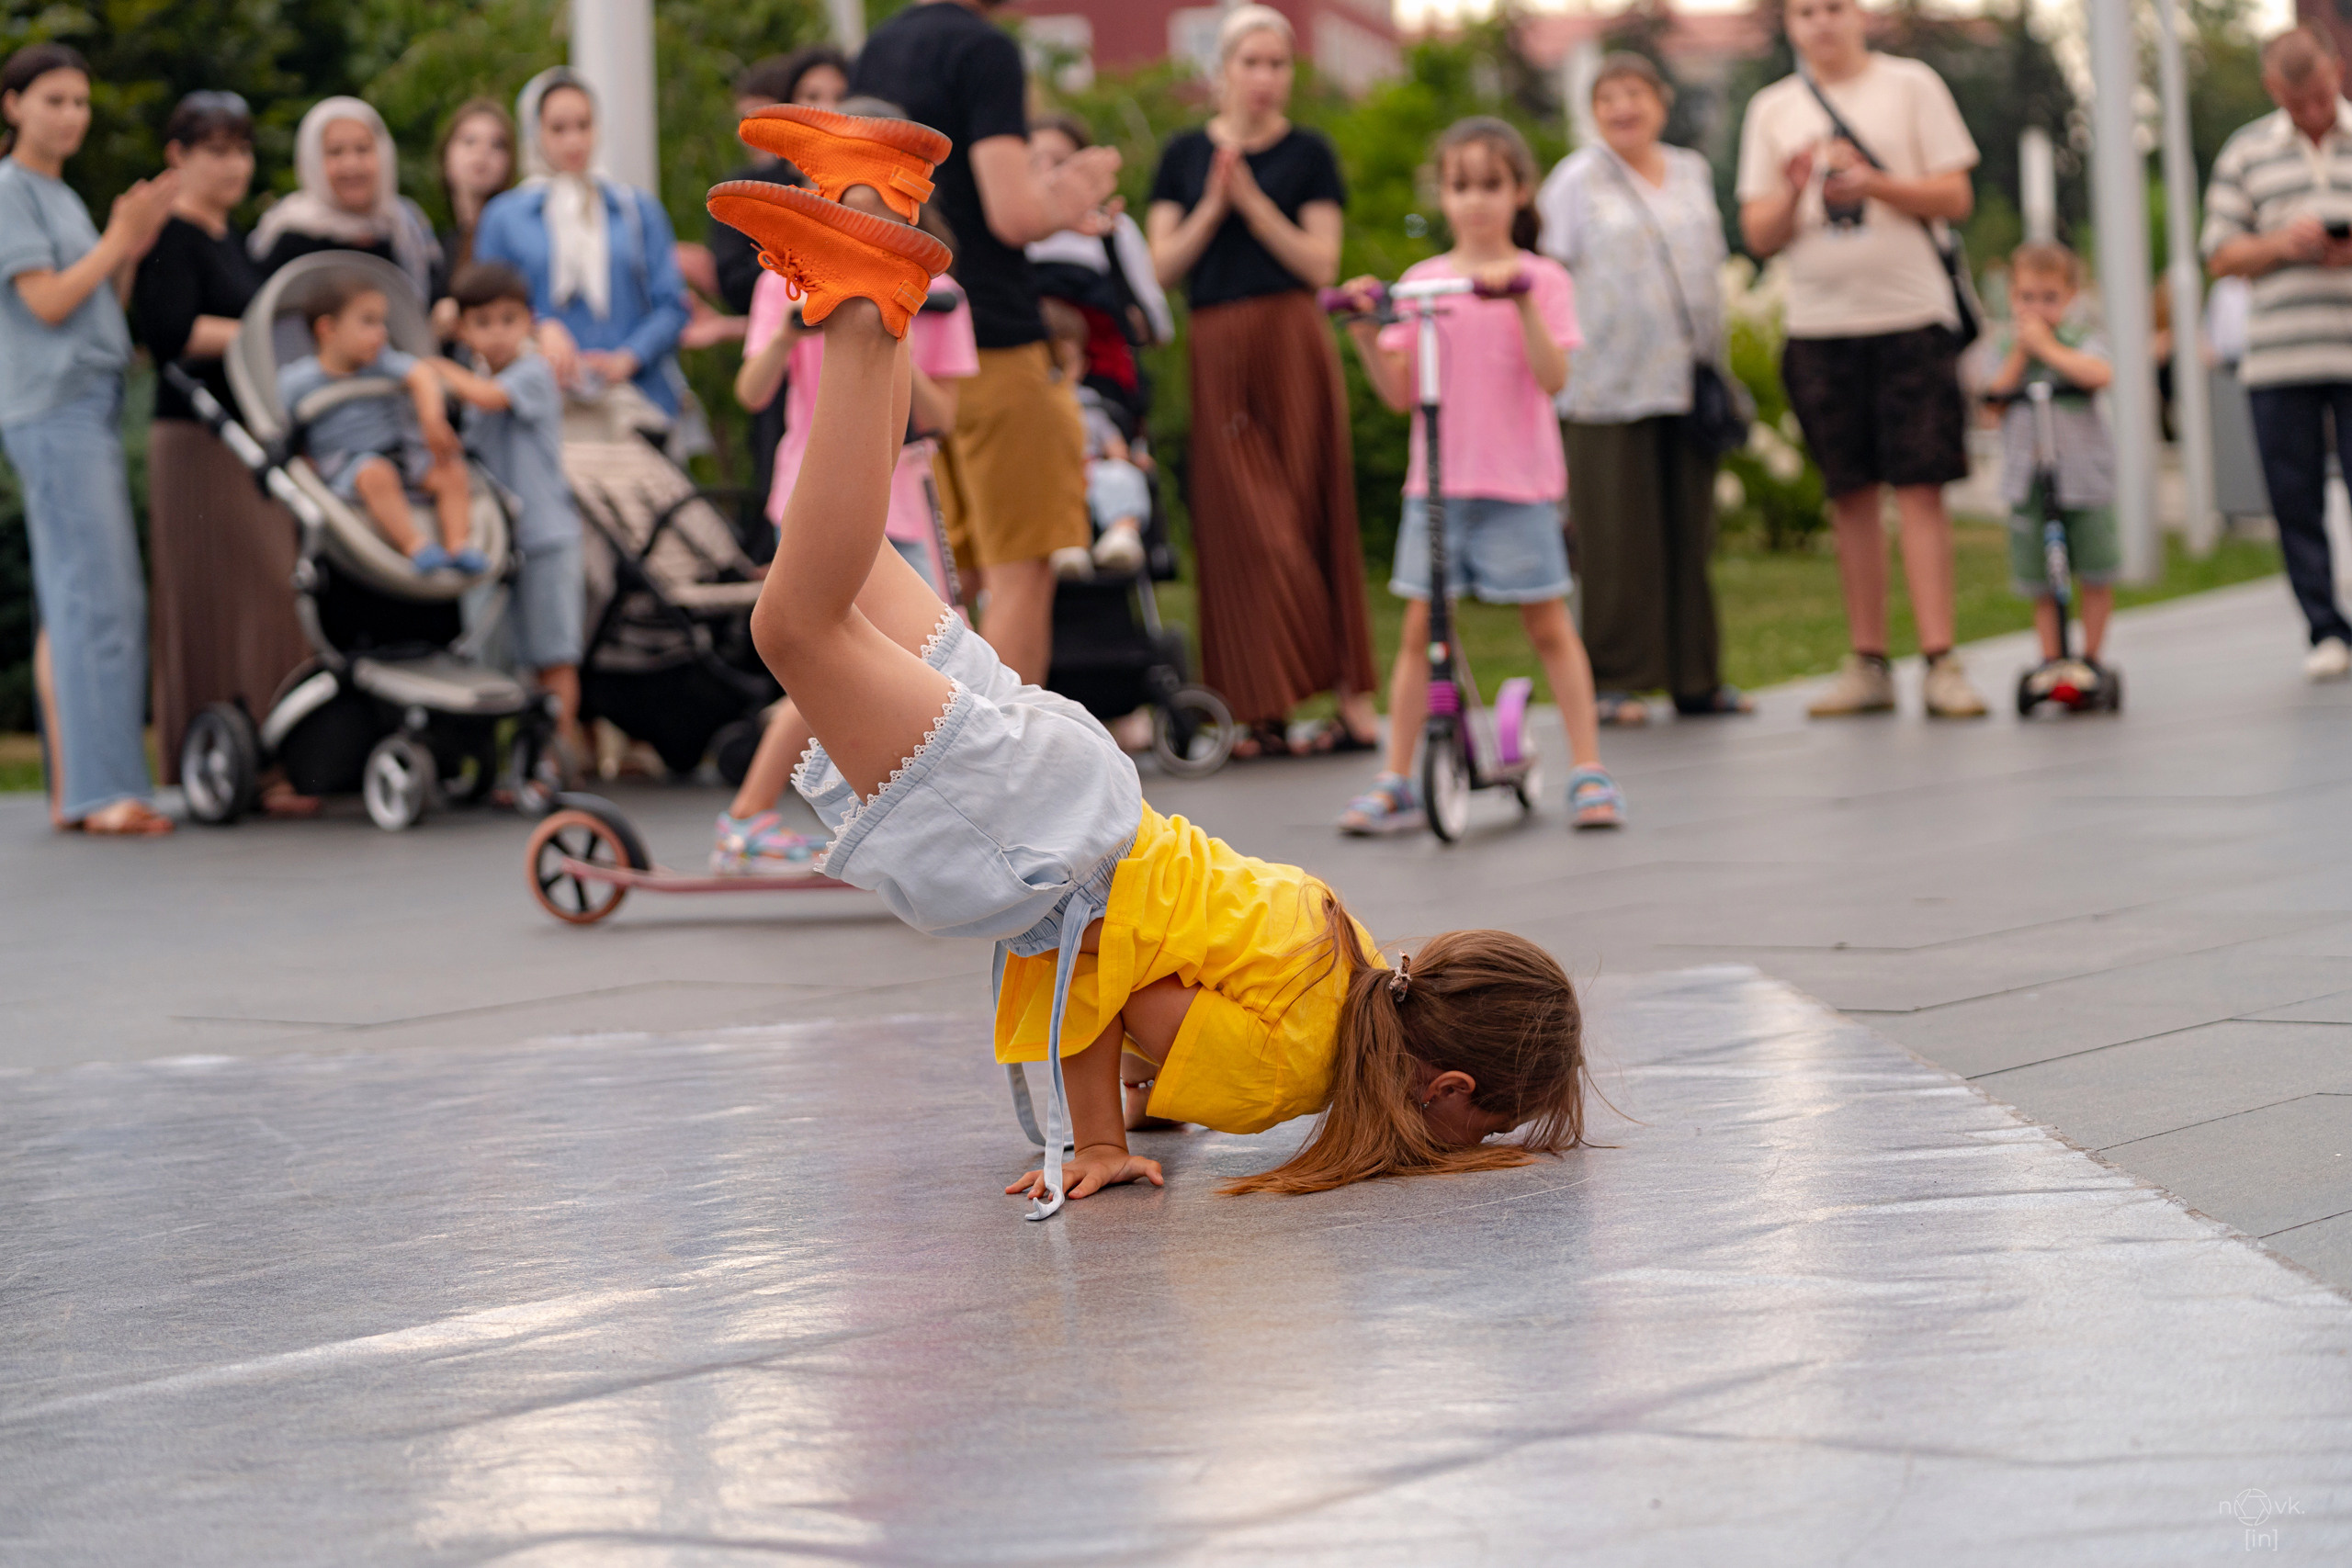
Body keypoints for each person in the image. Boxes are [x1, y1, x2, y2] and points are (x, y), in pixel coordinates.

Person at [704, 119, 1591, 1206]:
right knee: (795, 630)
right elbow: (1099, 978)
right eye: (1479, 1130)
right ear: (1449, 1089)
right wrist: (1094, 1143)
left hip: (1085, 798)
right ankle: (857, 291)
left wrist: (1137, 1102)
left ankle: (881, 212)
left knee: (834, 566)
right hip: (1041, 840)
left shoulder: (1346, 948)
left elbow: (1171, 966)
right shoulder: (1287, 1073)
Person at [1331, 118, 1622, 838]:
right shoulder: (1426, 284)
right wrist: (1366, 331)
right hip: (1436, 489)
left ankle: (1590, 767)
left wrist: (1519, 298)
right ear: (1444, 194)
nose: (1475, 201)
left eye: (1491, 184)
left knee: (1548, 623)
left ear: (1519, 190)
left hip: (1518, 487)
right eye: (1460, 186)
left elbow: (1554, 378)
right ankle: (1396, 777)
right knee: (1419, 634)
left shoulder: (1544, 278)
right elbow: (1400, 395)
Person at [851, 0, 1123, 686]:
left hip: (915, 335)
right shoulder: (986, 51)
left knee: (952, 582)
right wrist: (1062, 198)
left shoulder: (879, 48)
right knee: (1023, 569)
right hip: (996, 336)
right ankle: (1003, 774)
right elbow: (1013, 212)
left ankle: (943, 762)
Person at [714, 171, 978, 874]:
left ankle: (916, 815)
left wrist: (888, 325)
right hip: (815, 490)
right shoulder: (790, 277)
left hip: (904, 500)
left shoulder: (941, 294)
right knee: (824, 651)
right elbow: (751, 390)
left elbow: (946, 418)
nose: (862, 218)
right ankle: (745, 817)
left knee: (930, 661)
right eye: (848, 203)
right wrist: (799, 326)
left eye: (884, 206)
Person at [1736, 0, 1985, 719]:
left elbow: (1955, 194)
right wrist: (1797, 183)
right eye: (1806, 12)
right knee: (1849, 493)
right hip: (1820, 325)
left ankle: (1941, 659)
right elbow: (1759, 232)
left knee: (1921, 487)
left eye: (1834, 8)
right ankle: (1868, 660)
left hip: (1910, 316)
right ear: (1790, 24)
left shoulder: (1911, 85)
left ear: (1860, 15)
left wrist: (1873, 182)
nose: (1821, 24)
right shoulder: (1773, 108)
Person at [1147, 5, 1378, 758]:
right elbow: (1157, 269)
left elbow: (1321, 264)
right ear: (1222, 70)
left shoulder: (1307, 153)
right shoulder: (1184, 155)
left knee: (1311, 503)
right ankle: (1259, 704)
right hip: (1217, 343)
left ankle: (1345, 697)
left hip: (1292, 339)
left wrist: (1254, 203)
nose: (1266, 78)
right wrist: (1215, 205)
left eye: (1278, 64)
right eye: (1252, 62)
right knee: (1244, 520)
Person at [1539, 53, 1748, 726]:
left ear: (1661, 100)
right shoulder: (1577, 178)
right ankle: (1615, 679)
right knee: (1614, 539)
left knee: (1688, 534)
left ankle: (1697, 676)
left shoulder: (1690, 170)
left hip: (1685, 380)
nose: (1622, 108)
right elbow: (1548, 274)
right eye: (1607, 98)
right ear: (1593, 111)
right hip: (1605, 384)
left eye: (1635, 93)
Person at [2, 41, 178, 836]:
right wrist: (119, 234)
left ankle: (77, 787)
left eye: (80, 101)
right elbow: (44, 304)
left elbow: (100, 297)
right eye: (54, 100)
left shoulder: (61, 196)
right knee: (101, 598)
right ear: (14, 106)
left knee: (70, 603)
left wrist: (130, 245)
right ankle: (107, 792)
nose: (71, 115)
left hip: (92, 399)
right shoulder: (12, 192)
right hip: (57, 407)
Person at [131, 91, 314, 808]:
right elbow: (169, 333)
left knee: (274, 587)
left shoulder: (234, 240)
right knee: (246, 591)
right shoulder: (169, 238)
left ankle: (275, 750)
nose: (233, 165)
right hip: (196, 440)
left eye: (241, 150)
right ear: (178, 157)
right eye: (216, 150)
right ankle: (246, 759)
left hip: (247, 439)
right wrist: (259, 330)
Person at [2203, 25, 2352, 682]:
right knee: (2294, 498)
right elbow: (2221, 254)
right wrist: (2281, 245)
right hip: (2279, 357)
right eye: (2300, 104)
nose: (2315, 112)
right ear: (2275, 92)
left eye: (2321, 96)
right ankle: (2325, 627)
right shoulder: (2246, 154)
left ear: (2336, 71)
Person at [474, 69, 691, 425]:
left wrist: (630, 356)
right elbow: (485, 306)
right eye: (558, 128)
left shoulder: (635, 209)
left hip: (632, 398)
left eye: (584, 125)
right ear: (534, 131)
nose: (574, 141)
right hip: (539, 402)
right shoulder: (505, 216)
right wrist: (539, 328)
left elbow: (672, 304)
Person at [435, 261, 588, 762]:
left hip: (546, 537)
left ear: (528, 321)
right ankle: (501, 764)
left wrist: (432, 364)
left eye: (508, 320)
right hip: (494, 545)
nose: (497, 334)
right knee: (492, 658)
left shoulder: (532, 373)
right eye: (482, 323)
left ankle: (554, 759)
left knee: (555, 656)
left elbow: (487, 396)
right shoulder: (473, 377)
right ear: (462, 329)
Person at [707, 48, 852, 519]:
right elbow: (736, 280)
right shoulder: (755, 192)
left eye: (840, 96)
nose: (828, 107)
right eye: (812, 96)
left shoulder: (879, 198)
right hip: (787, 360)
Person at [277, 274, 484, 574]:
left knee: (451, 470)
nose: (382, 333)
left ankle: (458, 546)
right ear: (328, 329)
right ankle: (415, 544)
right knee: (376, 474)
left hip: (402, 457)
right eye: (368, 321)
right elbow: (284, 431)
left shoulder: (381, 361)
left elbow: (422, 374)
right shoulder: (296, 381)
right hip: (348, 466)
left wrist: (431, 419)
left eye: (382, 322)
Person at [1983, 242, 2117, 683]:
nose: (2037, 309)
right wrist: (2024, 351)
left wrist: (2049, 349)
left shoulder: (2081, 342)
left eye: (2049, 298)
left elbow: (2100, 374)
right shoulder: (2007, 347)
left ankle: (2091, 659)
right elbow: (1991, 403)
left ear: (2071, 297)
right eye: (2027, 298)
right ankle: (2052, 658)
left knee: (2095, 571)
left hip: (2084, 479)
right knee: (2040, 578)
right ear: (2012, 298)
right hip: (2030, 483)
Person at [1027, 112, 1174, 439]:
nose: (1048, 171)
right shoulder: (1013, 236)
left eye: (1060, 161)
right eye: (1035, 160)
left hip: (1104, 397)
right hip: (1026, 389)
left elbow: (1156, 327)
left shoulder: (1113, 232)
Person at [250, 96, 441, 303]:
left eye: (363, 149)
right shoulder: (291, 235)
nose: (351, 164)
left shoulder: (406, 226)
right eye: (335, 151)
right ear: (312, 159)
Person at [1043, 298, 1151, 579]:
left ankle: (1122, 535)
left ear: (1083, 364)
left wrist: (1126, 460)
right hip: (1054, 474)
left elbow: (1114, 447)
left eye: (1068, 364)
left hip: (1093, 469)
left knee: (1122, 475)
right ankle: (1066, 546)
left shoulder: (1093, 404)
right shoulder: (1035, 408)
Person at [425, 98, 516, 342]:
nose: (482, 152)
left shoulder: (519, 237)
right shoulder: (436, 246)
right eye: (469, 141)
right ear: (446, 156)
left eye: (497, 144)